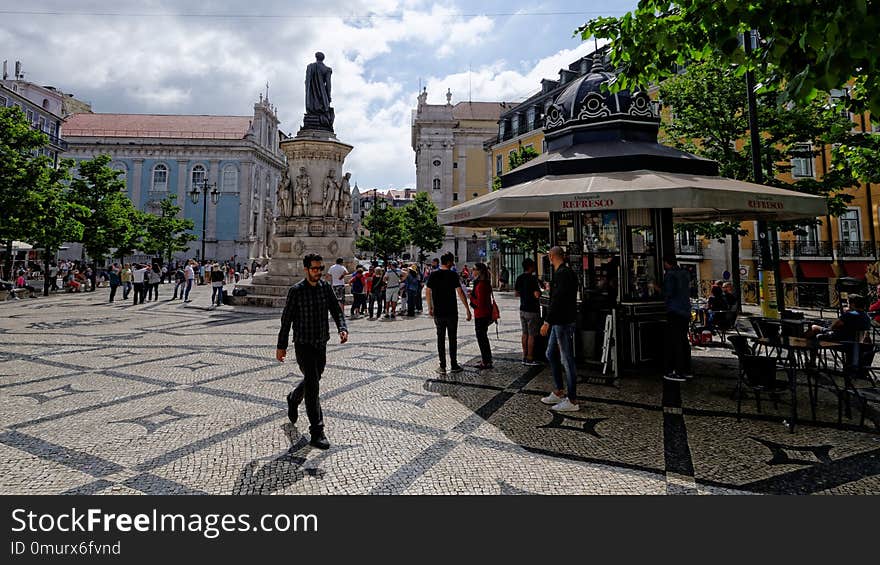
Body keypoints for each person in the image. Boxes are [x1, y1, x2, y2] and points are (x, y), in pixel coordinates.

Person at [276, 253, 348, 450]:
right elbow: (286, 320)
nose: (318, 272)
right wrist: (281, 346)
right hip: (303, 344)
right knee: (313, 386)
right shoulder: (296, 291)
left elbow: (336, 310)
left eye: (320, 269)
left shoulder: (325, 288)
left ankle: (294, 397)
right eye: (314, 269)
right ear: (306, 269)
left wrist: (343, 328)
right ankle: (317, 432)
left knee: (314, 378)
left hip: (321, 343)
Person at [539, 246, 580, 412]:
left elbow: (557, 299)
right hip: (561, 320)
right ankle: (558, 390)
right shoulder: (565, 273)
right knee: (550, 353)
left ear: (551, 256)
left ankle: (572, 399)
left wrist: (547, 322)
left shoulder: (562, 274)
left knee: (567, 359)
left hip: (562, 321)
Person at [425, 252, 471, 375]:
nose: (454, 263)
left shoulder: (434, 275)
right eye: (452, 261)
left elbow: (428, 291)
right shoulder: (452, 275)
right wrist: (467, 309)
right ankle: (454, 364)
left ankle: (442, 366)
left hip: (439, 312)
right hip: (451, 311)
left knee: (440, 338)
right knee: (452, 338)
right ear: (449, 262)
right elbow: (460, 292)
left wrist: (430, 307)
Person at [661, 254, 692, 382]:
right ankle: (687, 369)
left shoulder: (670, 275)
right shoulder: (685, 273)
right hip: (685, 310)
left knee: (676, 342)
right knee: (684, 341)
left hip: (675, 311)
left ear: (667, 263)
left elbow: (668, 293)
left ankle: (678, 372)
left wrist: (656, 288)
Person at [806, 293, 871, 342]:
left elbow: (833, 326)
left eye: (848, 303)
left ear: (853, 304)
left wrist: (845, 313)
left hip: (843, 340)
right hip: (857, 342)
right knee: (821, 325)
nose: (847, 305)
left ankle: (801, 345)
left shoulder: (850, 314)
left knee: (813, 327)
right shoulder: (866, 316)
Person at [515, 258, 543, 366]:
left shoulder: (519, 278)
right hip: (532, 309)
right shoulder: (532, 279)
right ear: (530, 267)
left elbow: (516, 294)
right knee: (532, 334)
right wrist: (540, 293)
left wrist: (524, 293)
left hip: (523, 309)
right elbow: (536, 294)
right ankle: (530, 357)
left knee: (524, 334)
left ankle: (524, 356)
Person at [469, 262, 494, 369]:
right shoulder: (484, 283)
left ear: (479, 271)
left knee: (482, 338)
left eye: (474, 269)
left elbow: (480, 303)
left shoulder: (481, 285)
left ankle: (486, 361)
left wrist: (470, 296)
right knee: (483, 337)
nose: (472, 271)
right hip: (484, 313)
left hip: (481, 314)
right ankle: (486, 358)